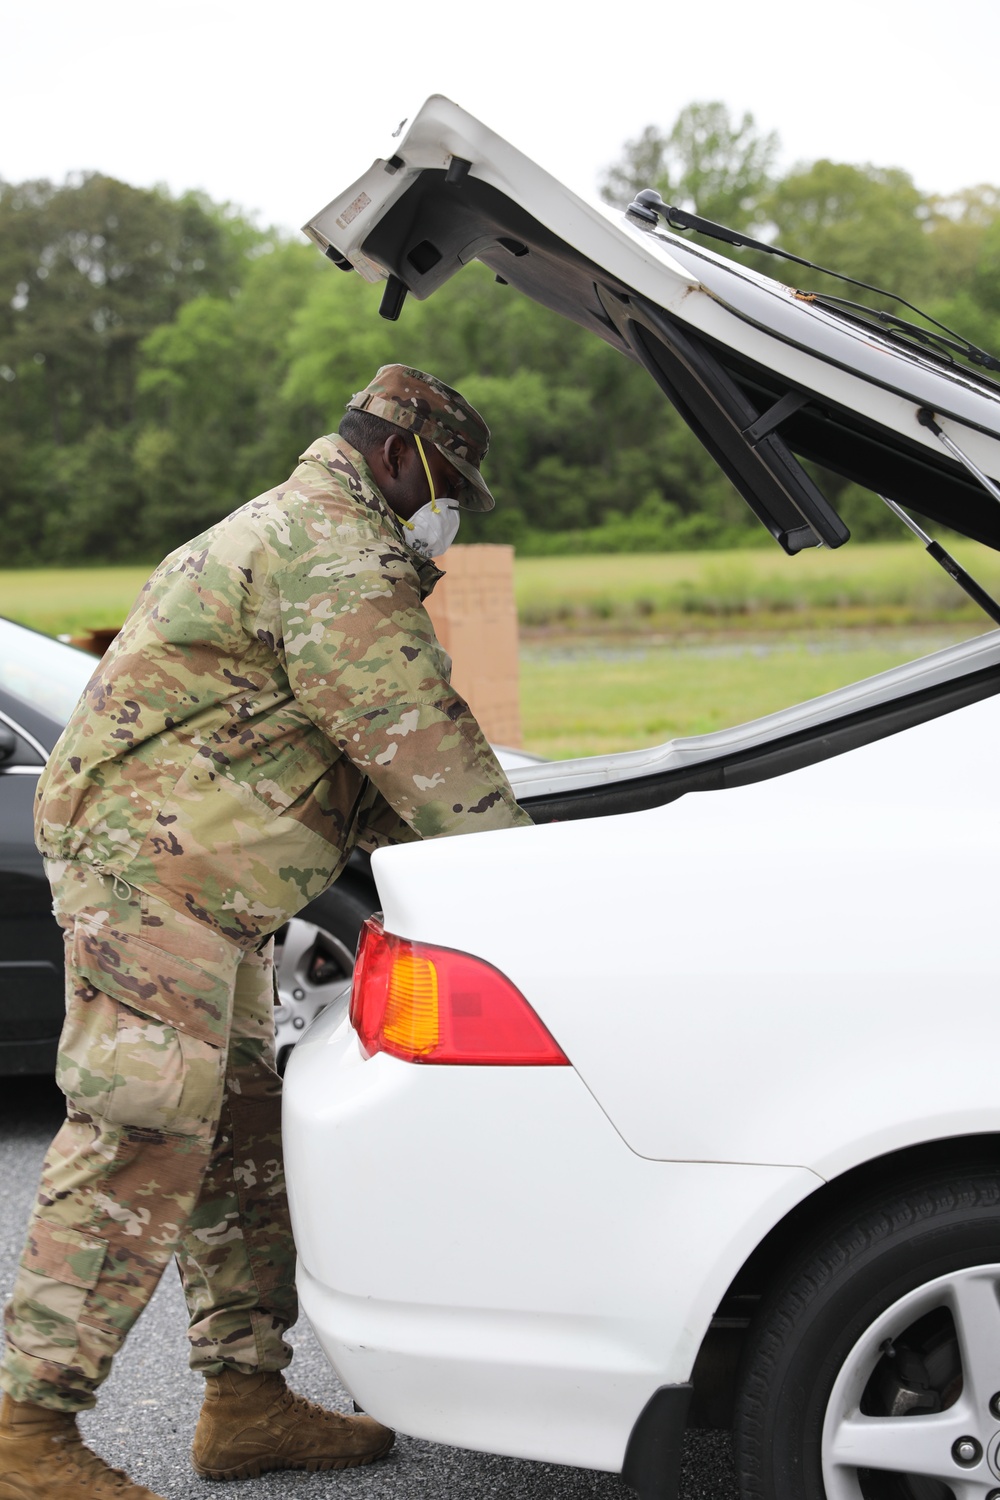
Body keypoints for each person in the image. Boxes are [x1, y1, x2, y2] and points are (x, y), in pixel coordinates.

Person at [0, 365, 532, 1499]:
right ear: (399, 457)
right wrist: (530, 882)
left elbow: (370, 755)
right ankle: (28, 1435)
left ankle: (244, 1401)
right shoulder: (332, 548)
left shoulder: (303, 528)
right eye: (446, 486)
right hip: (157, 878)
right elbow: (415, 743)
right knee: (137, 1135)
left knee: (239, 1134)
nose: (443, 510)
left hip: (206, 882)